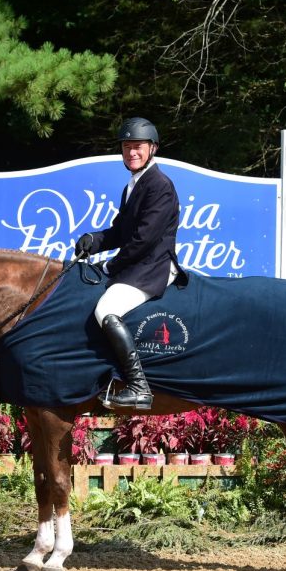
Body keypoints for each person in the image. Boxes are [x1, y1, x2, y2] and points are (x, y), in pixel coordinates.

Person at [74, 117, 185, 410]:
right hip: (139, 263)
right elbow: (121, 232)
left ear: (152, 148)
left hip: (154, 266)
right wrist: (94, 240)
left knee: (106, 309)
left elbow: (144, 240)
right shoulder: (134, 185)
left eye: (138, 147)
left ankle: (139, 387)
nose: (132, 152)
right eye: (126, 147)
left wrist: (110, 266)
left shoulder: (160, 185)